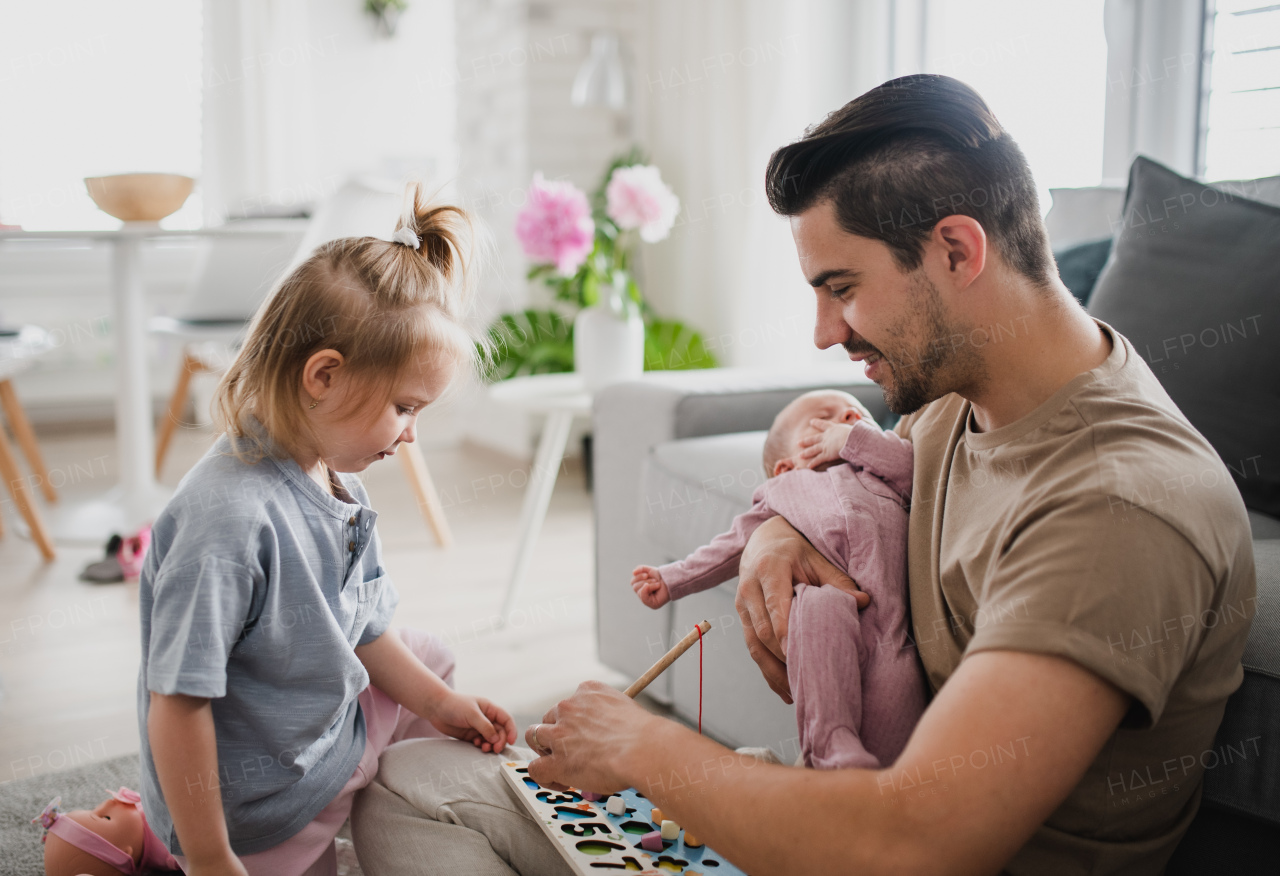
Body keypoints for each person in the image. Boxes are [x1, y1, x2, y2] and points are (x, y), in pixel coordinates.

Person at [350, 75, 1256, 876]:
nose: (825, 334)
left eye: (842, 286)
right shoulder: (957, 402)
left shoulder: (1117, 505)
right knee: (415, 778)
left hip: (883, 845)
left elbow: (915, 846)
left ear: (956, 251)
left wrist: (645, 749)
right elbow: (852, 489)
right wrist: (784, 527)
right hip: (843, 811)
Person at [137, 185, 518, 876]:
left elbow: (364, 624)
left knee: (426, 658)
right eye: (404, 407)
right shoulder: (225, 520)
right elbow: (177, 702)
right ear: (324, 376)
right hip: (252, 813)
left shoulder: (334, 480)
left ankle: (377, 808)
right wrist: (210, 854)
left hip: (315, 749)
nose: (410, 435)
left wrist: (442, 705)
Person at [631, 388, 926, 770]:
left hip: (895, 636)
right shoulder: (783, 491)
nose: (851, 417)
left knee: (896, 730)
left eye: (857, 414)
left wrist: (853, 440)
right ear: (786, 467)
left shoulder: (884, 476)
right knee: (817, 604)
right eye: (824, 419)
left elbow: (912, 464)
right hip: (832, 623)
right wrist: (671, 579)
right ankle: (830, 743)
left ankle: (820, 776)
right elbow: (731, 546)